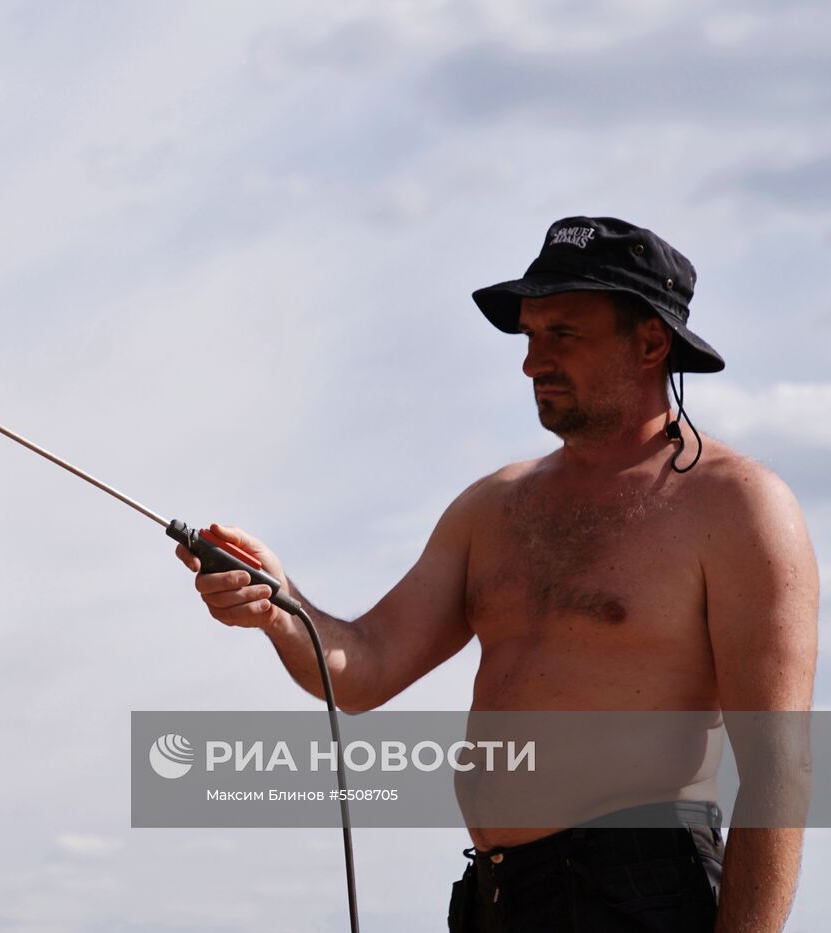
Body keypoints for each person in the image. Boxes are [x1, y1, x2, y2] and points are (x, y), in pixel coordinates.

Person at [177, 216, 818, 931]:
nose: (531, 362)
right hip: (495, 898)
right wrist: (279, 604)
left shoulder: (738, 505)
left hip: (638, 894)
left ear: (650, 341)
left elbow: (778, 772)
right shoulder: (494, 505)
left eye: (563, 335)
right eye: (529, 335)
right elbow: (364, 667)